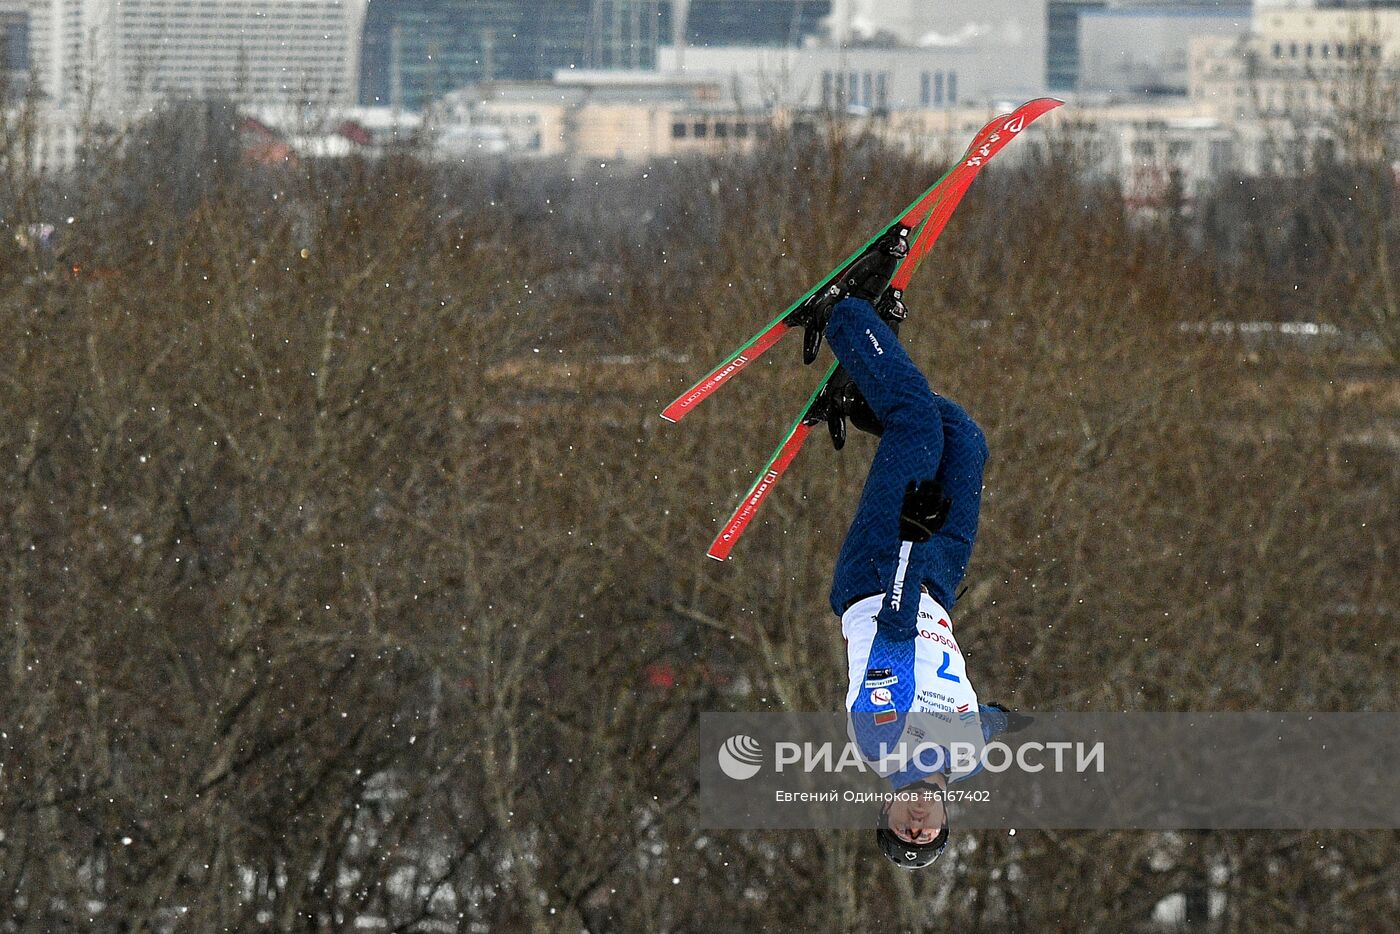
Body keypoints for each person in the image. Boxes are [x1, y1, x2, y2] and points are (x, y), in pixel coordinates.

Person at [808, 242, 1029, 870]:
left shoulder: (881, 742)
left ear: (883, 810)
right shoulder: (961, 760)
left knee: (916, 425)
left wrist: (909, 537)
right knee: (963, 437)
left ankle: (841, 314)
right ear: (943, 821)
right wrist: (1008, 722)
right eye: (924, 834)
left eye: (902, 831)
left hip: (882, 575)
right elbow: (981, 723)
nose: (915, 822)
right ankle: (855, 397)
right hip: (940, 577)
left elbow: (895, 634)